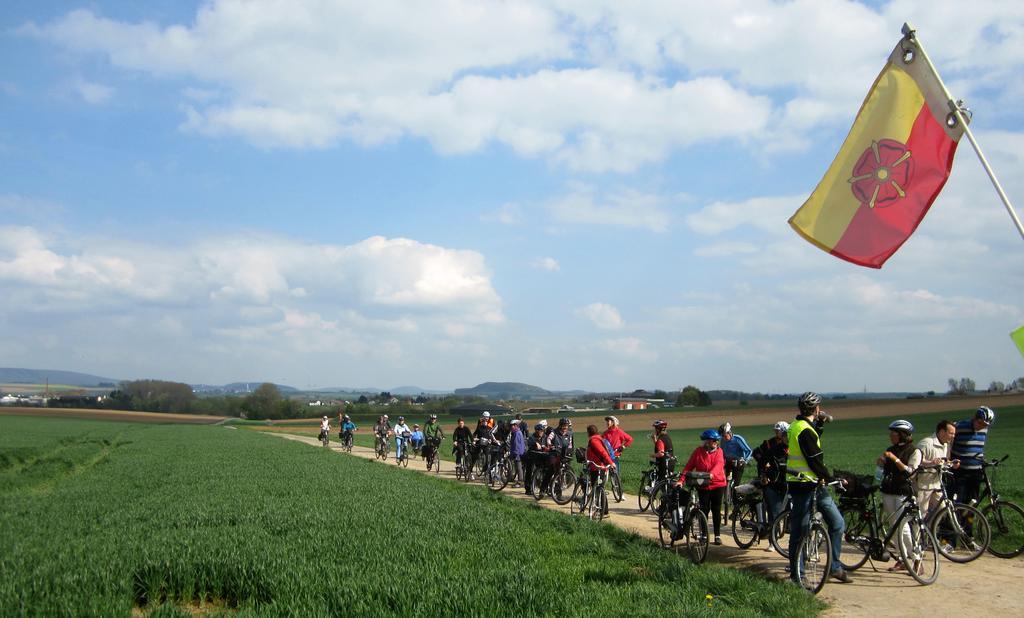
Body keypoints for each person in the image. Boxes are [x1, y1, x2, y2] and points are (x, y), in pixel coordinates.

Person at [787, 392, 850, 584]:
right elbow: (813, 459)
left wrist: (820, 424)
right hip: (802, 485)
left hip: (815, 485)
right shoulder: (803, 429)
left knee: (837, 523)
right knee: (801, 530)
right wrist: (832, 477)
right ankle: (798, 575)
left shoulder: (801, 426)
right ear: (816, 409)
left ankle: (834, 567)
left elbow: (811, 441)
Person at [877, 420, 922, 572]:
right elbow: (885, 470)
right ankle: (903, 558)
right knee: (893, 528)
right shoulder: (891, 449)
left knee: (903, 528)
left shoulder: (914, 451)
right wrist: (881, 462)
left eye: (894, 434)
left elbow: (911, 472)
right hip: (889, 491)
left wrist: (895, 460)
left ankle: (915, 559)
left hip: (903, 493)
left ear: (902, 435)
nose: (891, 436)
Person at [681, 429, 727, 545]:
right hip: (703, 484)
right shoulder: (698, 452)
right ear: (706, 441)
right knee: (704, 509)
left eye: (716, 441)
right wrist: (681, 480)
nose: (714, 443)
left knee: (716, 510)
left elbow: (719, 464)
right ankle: (704, 535)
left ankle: (717, 535)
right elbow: (689, 466)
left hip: (718, 484)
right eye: (712, 441)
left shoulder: (719, 452)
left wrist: (711, 474)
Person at [950, 406, 995, 505]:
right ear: (974, 418)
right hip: (960, 471)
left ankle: (969, 520)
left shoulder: (984, 430)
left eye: (985, 425)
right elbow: (947, 441)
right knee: (959, 500)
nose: (981, 426)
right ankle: (956, 519)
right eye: (980, 423)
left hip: (976, 471)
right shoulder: (959, 427)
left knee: (973, 501)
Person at [914, 420, 958, 518]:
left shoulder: (945, 444)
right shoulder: (926, 444)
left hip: (936, 484)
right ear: (942, 432)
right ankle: (918, 533)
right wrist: (930, 463)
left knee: (942, 510)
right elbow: (914, 462)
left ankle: (930, 530)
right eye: (951, 433)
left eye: (954, 434)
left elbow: (942, 462)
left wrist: (951, 464)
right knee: (921, 515)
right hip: (922, 485)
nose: (953, 436)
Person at [752, 421, 789, 522]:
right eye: (776, 431)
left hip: (786, 479)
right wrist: (765, 463)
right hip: (770, 477)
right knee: (771, 506)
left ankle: (787, 525)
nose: (777, 433)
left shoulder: (792, 445)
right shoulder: (769, 443)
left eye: (779, 431)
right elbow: (757, 453)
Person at [586, 424, 616, 514]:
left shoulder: (594, 440)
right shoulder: (599, 438)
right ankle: (604, 510)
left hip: (597, 467)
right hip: (599, 466)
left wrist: (610, 462)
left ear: (589, 432)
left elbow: (602, 452)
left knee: (598, 488)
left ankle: (603, 509)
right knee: (599, 487)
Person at [540, 418, 573, 493]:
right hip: (554, 453)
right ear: (560, 425)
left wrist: (569, 452)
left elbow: (570, 445)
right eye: (564, 426)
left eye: (566, 426)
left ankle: (558, 494)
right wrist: (550, 444)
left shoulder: (569, 434)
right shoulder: (554, 432)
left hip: (562, 454)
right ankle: (542, 489)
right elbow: (549, 439)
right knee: (551, 469)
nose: (565, 427)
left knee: (560, 472)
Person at [719, 421, 753, 486]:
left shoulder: (738, 439)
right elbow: (722, 452)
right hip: (728, 462)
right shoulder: (722, 441)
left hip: (738, 463)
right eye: (722, 436)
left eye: (724, 435)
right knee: (724, 483)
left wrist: (745, 460)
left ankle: (736, 494)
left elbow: (749, 451)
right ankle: (727, 493)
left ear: (729, 432)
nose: (723, 437)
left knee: (736, 485)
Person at [525, 423, 547, 495]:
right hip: (531, 457)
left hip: (540, 457)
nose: (541, 432)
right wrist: (535, 443)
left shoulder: (545, 437)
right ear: (536, 431)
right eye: (539, 431)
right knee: (530, 471)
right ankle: (528, 489)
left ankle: (544, 486)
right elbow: (529, 442)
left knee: (544, 470)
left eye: (542, 431)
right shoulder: (532, 437)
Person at [508, 419, 526, 487]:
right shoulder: (516, 432)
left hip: (518, 453)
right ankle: (519, 480)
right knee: (517, 467)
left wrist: (515, 453)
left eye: (513, 425)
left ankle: (520, 481)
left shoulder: (517, 433)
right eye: (511, 425)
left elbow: (517, 445)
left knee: (518, 467)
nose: (511, 427)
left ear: (516, 425)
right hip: (518, 452)